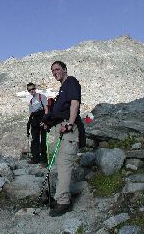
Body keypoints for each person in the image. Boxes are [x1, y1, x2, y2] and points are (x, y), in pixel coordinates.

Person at [41, 61, 81, 217]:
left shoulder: (71, 82)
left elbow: (74, 104)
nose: (55, 72)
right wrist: (48, 122)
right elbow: (59, 110)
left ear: (65, 69)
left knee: (64, 165)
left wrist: (70, 124)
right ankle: (60, 196)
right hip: (61, 129)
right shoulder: (63, 88)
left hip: (68, 130)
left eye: (57, 69)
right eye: (53, 70)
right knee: (60, 164)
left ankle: (63, 202)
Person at [26, 83, 48, 165]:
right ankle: (35, 158)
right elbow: (30, 113)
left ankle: (44, 160)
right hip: (34, 121)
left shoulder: (41, 96)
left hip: (42, 118)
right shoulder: (31, 101)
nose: (32, 91)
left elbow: (46, 108)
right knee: (35, 139)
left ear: (35, 88)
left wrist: (45, 121)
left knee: (43, 140)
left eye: (33, 89)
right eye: (29, 90)